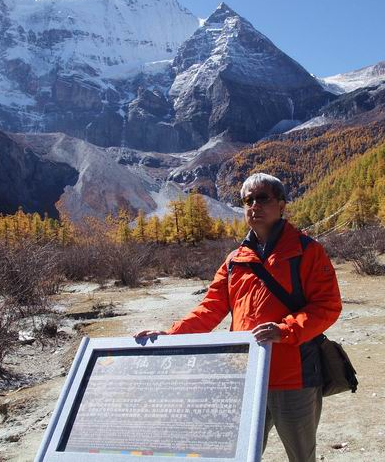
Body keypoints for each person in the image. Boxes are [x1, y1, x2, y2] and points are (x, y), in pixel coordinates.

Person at [135, 173, 342, 462]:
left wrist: (285, 330)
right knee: (242, 453)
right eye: (248, 200)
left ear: (282, 205)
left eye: (262, 198)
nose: (254, 206)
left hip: (294, 376)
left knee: (301, 455)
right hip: (247, 373)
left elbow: (327, 306)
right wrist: (170, 336)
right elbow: (210, 308)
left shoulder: (307, 251)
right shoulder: (235, 260)